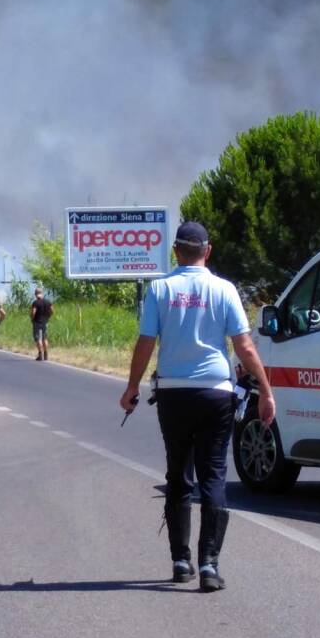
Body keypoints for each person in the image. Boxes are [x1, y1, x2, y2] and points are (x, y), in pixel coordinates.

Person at [118, 221, 276, 592]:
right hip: (216, 393)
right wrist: (266, 390)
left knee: (178, 474)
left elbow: (145, 343)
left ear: (175, 251)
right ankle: (209, 565)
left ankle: (180, 561)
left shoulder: (160, 288)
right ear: (209, 250)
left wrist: (131, 388)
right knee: (213, 476)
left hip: (173, 393)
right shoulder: (224, 290)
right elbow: (245, 346)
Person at [30, 287, 54, 361]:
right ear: (42, 293)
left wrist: (32, 319)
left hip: (37, 322)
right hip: (45, 322)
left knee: (38, 339)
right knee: (45, 338)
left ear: (35, 294)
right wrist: (48, 316)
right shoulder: (48, 302)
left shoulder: (35, 302)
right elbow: (52, 311)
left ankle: (40, 354)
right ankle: (46, 354)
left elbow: (33, 312)